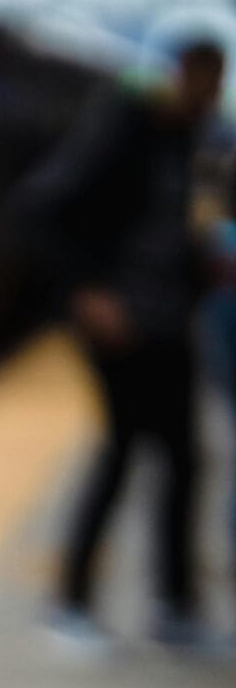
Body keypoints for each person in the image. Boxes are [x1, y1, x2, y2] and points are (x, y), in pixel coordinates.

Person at [23, 37, 227, 652]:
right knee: (119, 452)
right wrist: (86, 292)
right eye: (203, 79)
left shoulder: (185, 138)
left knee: (184, 461)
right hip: (119, 325)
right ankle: (69, 606)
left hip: (167, 321)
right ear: (175, 76)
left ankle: (176, 608)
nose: (210, 94)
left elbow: (173, 228)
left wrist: (201, 269)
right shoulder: (122, 128)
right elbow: (39, 209)